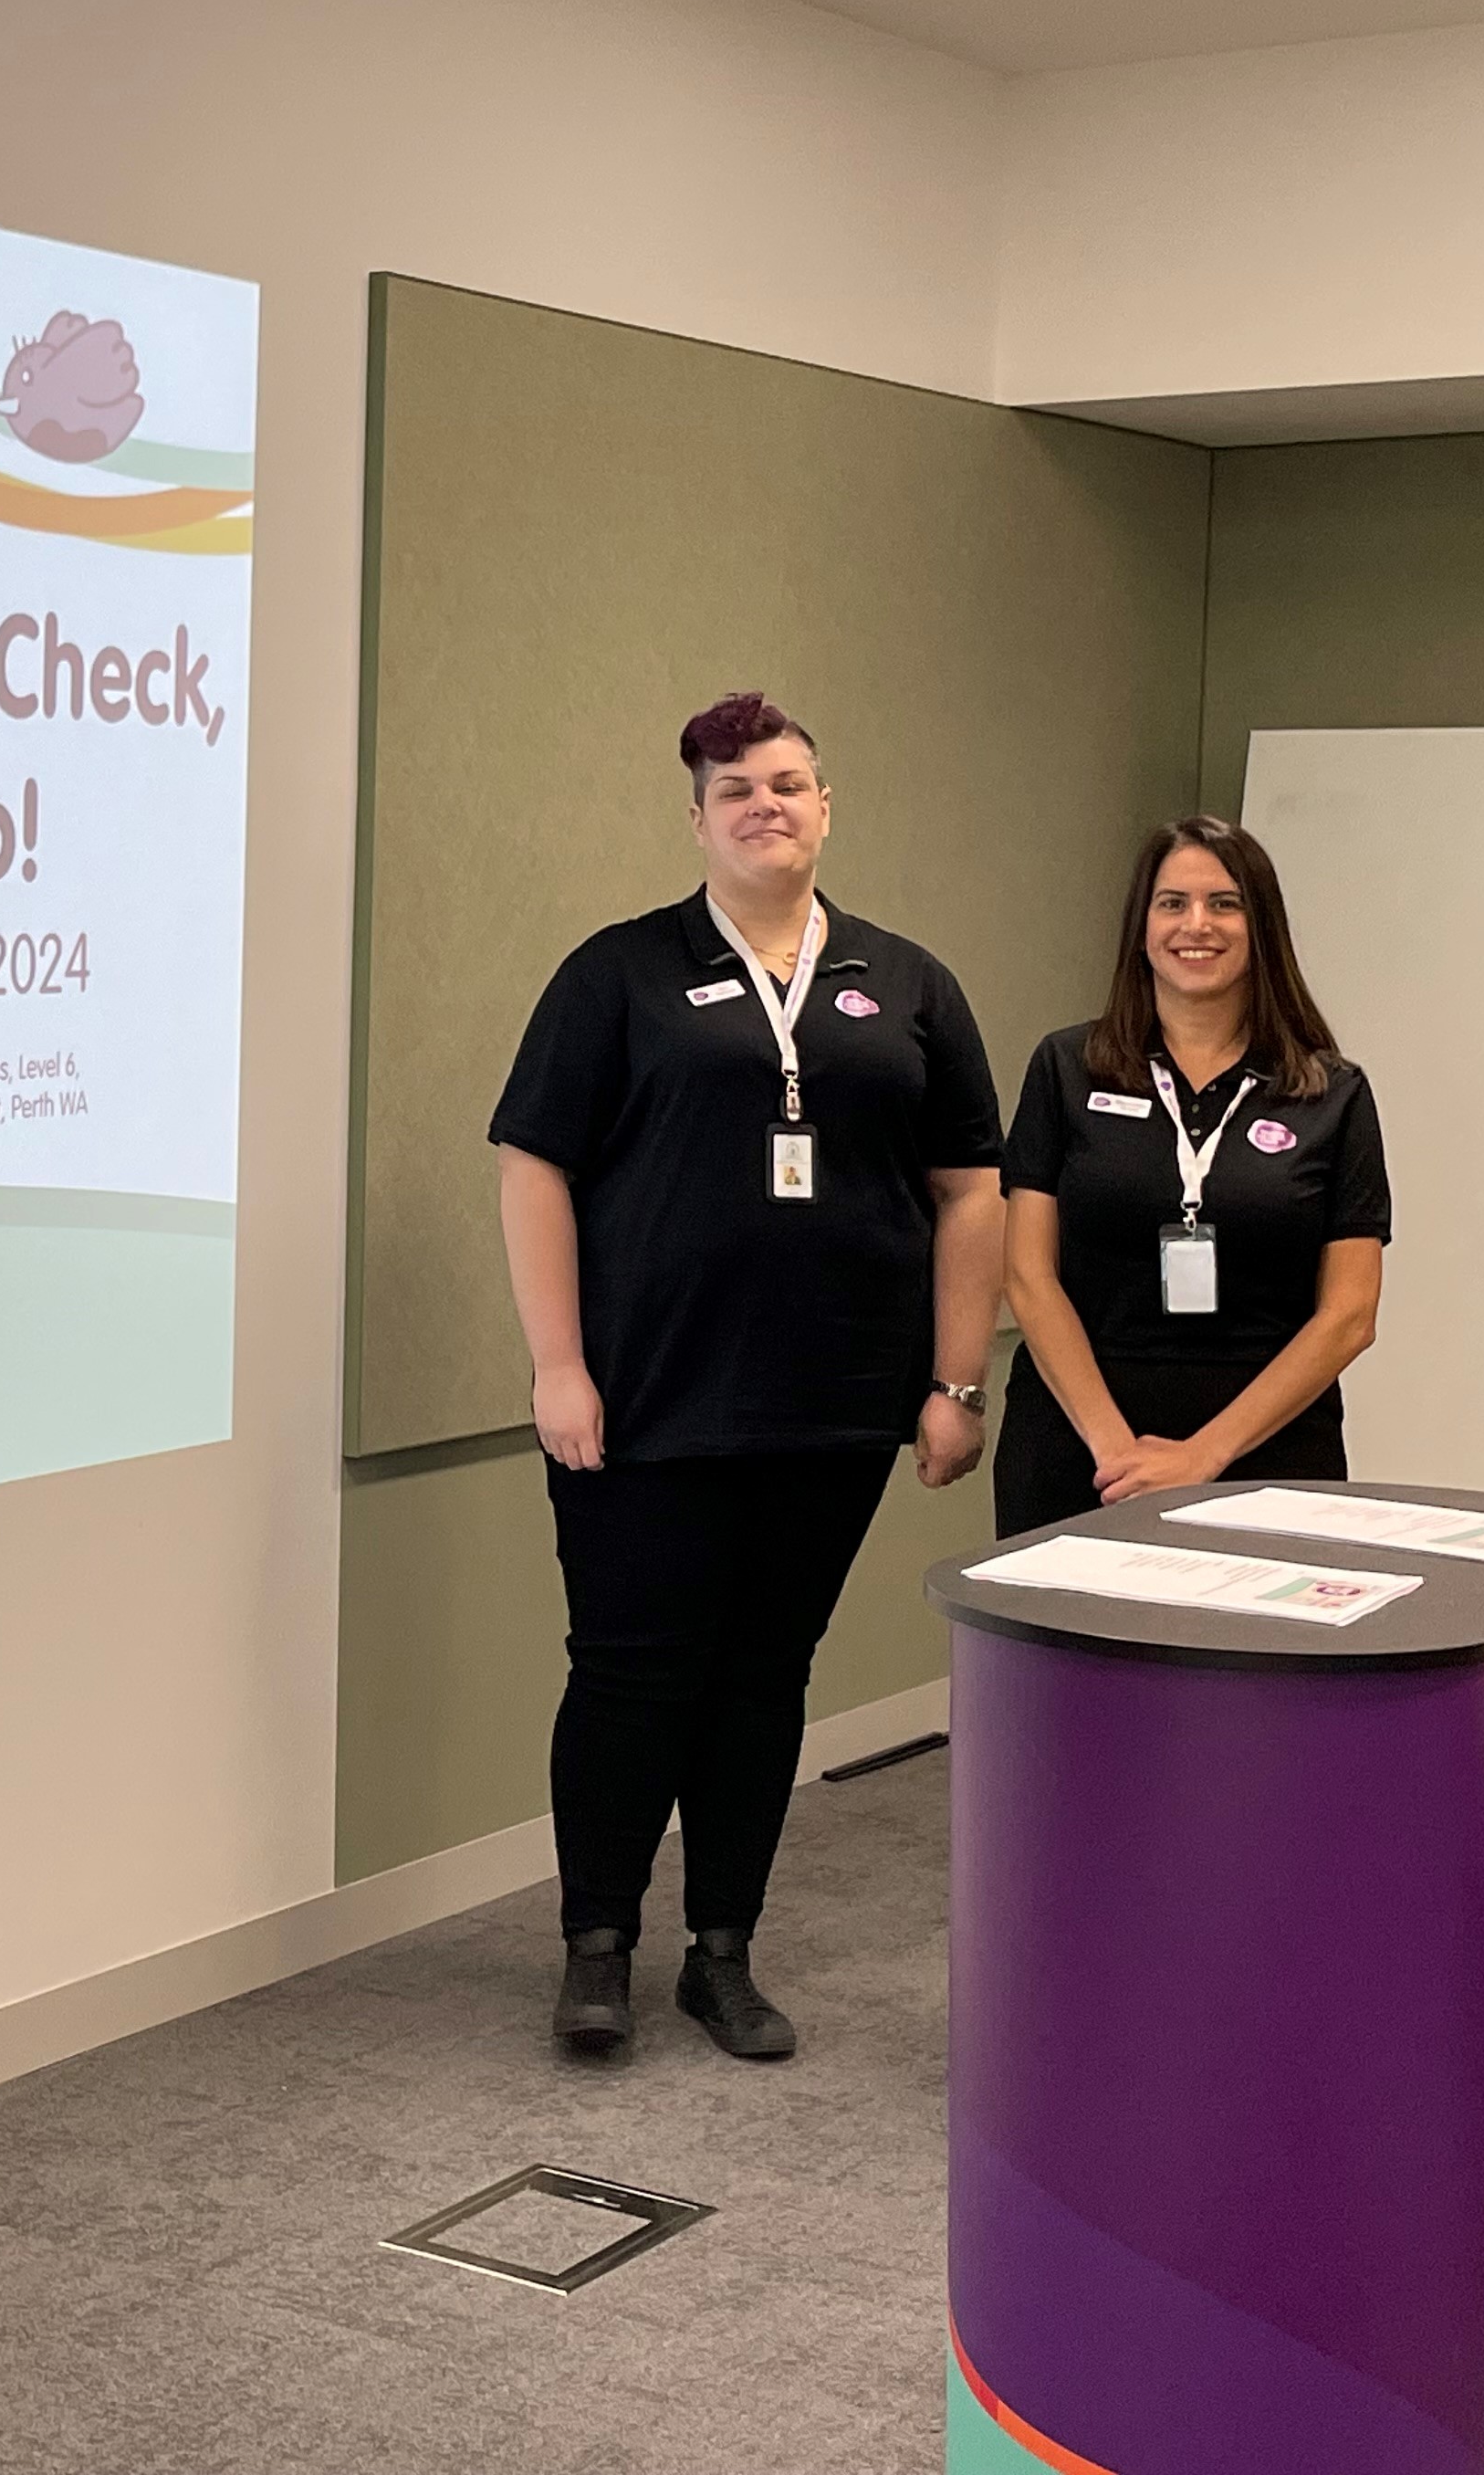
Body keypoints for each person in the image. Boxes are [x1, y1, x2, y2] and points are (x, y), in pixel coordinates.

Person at [489, 693, 1003, 2062]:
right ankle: (598, 1944)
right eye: (736, 791)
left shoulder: (908, 983)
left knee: (765, 1676)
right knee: (629, 1674)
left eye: (788, 784)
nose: (765, 806)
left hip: (831, 1406)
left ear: (827, 804)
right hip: (647, 1403)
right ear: (699, 820)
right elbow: (533, 1166)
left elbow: (970, 1191)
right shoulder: (619, 974)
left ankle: (724, 1952)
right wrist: (558, 1366)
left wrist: (956, 1385)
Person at [997, 815, 1387, 1535]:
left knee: (1252, 1650)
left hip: (1270, 1453)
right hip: (1081, 1447)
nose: (1195, 924)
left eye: (1224, 902)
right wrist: (1116, 1451)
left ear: (1260, 924)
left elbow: (1349, 1316)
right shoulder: (1065, 1068)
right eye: (1172, 903)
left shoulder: (1332, 1094)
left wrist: (1202, 1457)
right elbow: (1028, 1274)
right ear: (1141, 926)